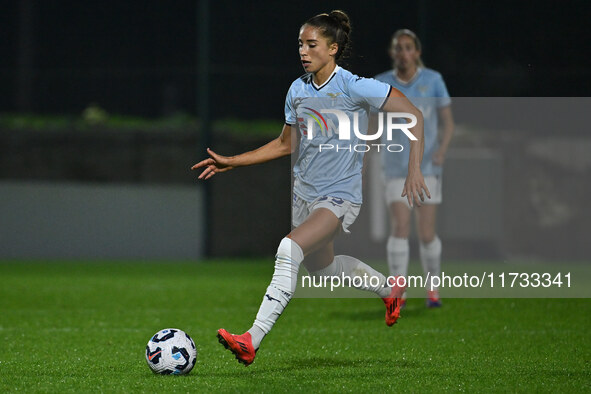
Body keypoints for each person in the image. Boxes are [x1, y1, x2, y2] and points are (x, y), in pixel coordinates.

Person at [192, 11, 428, 366]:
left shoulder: (354, 86)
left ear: (332, 49)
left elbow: (414, 115)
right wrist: (232, 161)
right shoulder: (298, 90)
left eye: (311, 44)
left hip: (339, 197)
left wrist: (414, 169)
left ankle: (251, 339)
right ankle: (389, 288)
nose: (303, 50)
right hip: (305, 195)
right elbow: (285, 144)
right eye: (300, 44)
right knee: (323, 268)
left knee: (289, 249)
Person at [375, 29, 455, 308]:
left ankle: (433, 289)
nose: (403, 53)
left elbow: (448, 122)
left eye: (408, 47)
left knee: (426, 232)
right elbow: (371, 125)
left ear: (417, 52)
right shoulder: (381, 84)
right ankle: (399, 291)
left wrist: (442, 151)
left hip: (427, 169)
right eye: (398, 48)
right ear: (392, 52)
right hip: (395, 167)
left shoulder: (432, 81)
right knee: (399, 226)